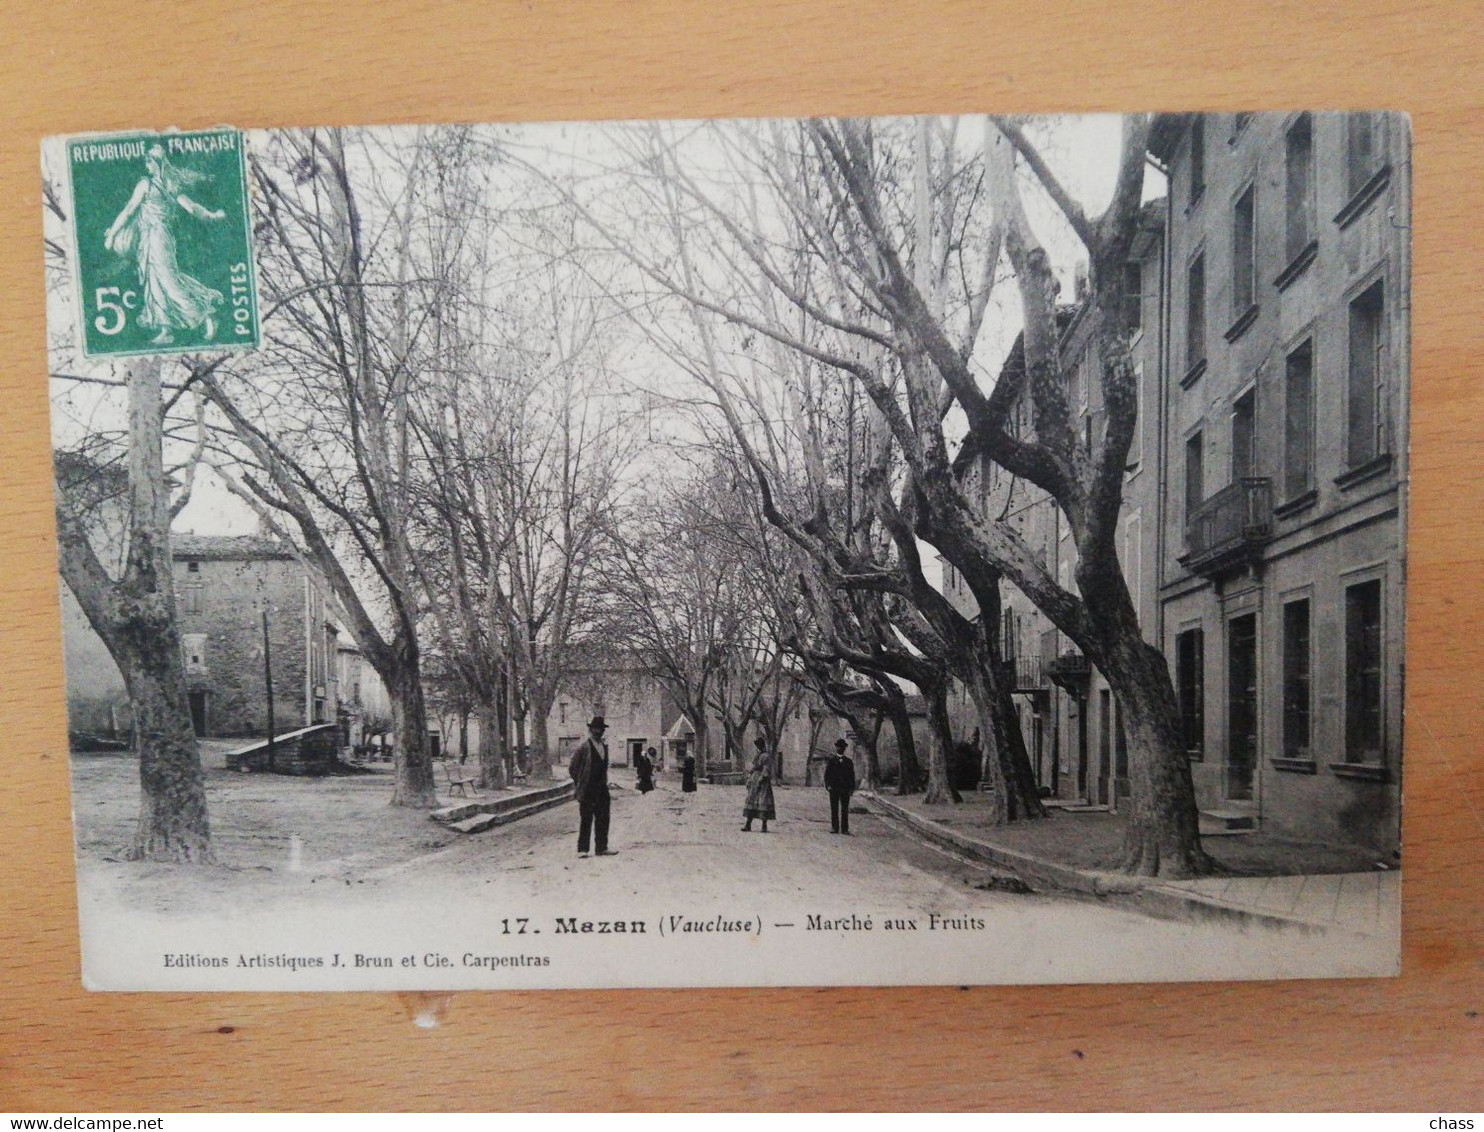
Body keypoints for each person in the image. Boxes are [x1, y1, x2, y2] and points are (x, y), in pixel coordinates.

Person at [103, 144, 227, 346]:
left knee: (167, 280)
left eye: (149, 161)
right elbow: (130, 210)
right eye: (146, 161)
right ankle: (165, 329)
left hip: (158, 237)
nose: (147, 165)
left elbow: (130, 210)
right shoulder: (163, 185)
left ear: (158, 163)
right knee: (154, 281)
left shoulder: (153, 185)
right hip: (150, 238)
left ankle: (203, 315)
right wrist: (211, 215)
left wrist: (211, 216)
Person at [568, 715, 617, 857]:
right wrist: (580, 783)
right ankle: (583, 849)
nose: (598, 731)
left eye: (601, 729)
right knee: (586, 819)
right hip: (587, 789)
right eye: (595, 729)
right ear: (591, 730)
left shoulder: (604, 746)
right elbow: (573, 767)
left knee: (603, 818)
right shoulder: (584, 747)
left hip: (602, 789)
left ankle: (601, 848)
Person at [741, 735, 776, 833]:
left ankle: (764, 826)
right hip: (754, 780)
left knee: (763, 802)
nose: (757, 748)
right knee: (752, 801)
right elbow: (754, 767)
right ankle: (748, 825)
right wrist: (750, 777)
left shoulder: (766, 756)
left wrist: (762, 778)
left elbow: (766, 768)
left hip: (762, 781)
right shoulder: (758, 755)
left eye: (758, 746)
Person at [824, 738, 858, 835]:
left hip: (845, 788)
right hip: (834, 788)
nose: (840, 749)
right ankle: (834, 827)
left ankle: (845, 828)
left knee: (844, 809)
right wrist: (828, 785)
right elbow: (827, 775)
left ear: (844, 748)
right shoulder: (831, 760)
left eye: (842, 747)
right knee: (834, 808)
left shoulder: (848, 762)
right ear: (836, 748)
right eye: (839, 747)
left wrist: (851, 788)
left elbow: (852, 775)